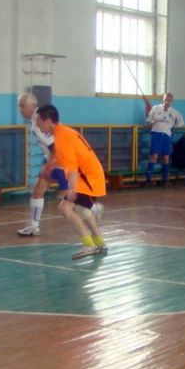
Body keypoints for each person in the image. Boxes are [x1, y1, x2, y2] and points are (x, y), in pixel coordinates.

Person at [35, 104, 108, 260]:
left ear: (47, 121)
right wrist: (49, 166)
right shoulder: (63, 132)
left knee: (65, 208)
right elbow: (64, 158)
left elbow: (73, 168)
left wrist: (72, 189)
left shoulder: (62, 137)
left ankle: (89, 244)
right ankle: (100, 242)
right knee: (81, 209)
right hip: (90, 176)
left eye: (38, 121)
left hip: (88, 179)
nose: (37, 125)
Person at [16, 92, 69, 237]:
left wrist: (50, 164)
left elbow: (56, 147)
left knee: (67, 196)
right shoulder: (35, 120)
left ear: (32, 106)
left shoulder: (39, 122)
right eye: (19, 106)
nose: (20, 109)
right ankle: (34, 226)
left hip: (61, 159)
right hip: (51, 158)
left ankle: (93, 209)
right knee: (38, 190)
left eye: (22, 106)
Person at [145, 93, 185, 187]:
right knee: (154, 156)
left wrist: (173, 126)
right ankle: (148, 179)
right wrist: (153, 122)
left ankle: (165, 179)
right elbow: (148, 120)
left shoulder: (174, 112)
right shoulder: (156, 108)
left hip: (167, 135)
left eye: (169, 100)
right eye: (166, 99)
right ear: (163, 99)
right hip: (156, 133)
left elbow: (180, 122)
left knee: (166, 157)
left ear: (172, 101)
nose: (167, 102)